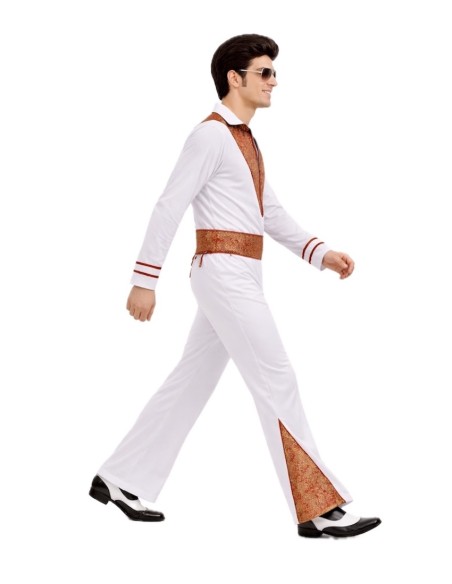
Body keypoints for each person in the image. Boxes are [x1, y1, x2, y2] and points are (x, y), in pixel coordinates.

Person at [89, 34, 381, 538]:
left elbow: (269, 212)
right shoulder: (210, 135)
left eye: (274, 73)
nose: (274, 82)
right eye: (264, 72)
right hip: (223, 274)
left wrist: (320, 253)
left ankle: (119, 479)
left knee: (191, 381)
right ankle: (318, 507)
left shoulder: (244, 140)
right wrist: (144, 280)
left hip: (237, 274)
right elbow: (169, 205)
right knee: (277, 378)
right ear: (234, 78)